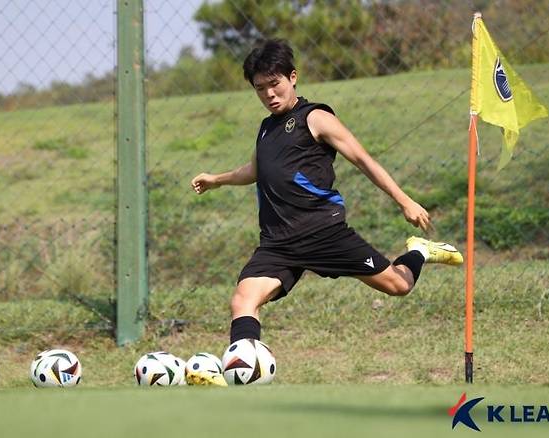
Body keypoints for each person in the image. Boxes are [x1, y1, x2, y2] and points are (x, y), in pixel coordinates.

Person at [189, 39, 463, 385]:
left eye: (275, 84)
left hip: (323, 233)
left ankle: (419, 251)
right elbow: (257, 169)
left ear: (293, 77)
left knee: (398, 285)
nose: (269, 94)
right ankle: (245, 378)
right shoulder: (266, 128)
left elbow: (363, 159)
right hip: (277, 243)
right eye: (260, 88)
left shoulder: (315, 117)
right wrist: (218, 179)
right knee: (243, 299)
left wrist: (404, 200)